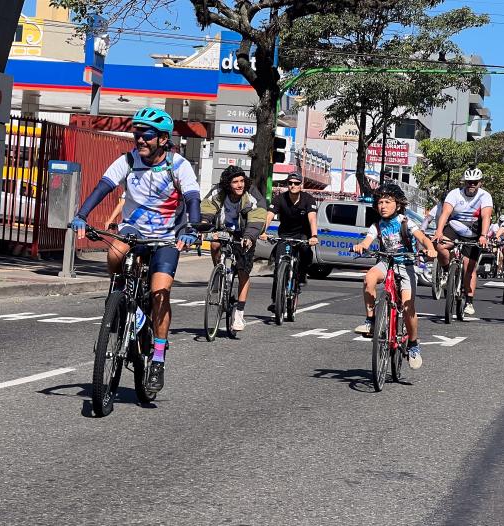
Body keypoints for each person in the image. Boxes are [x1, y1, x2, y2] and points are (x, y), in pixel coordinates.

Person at [70, 107, 201, 394]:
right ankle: (119, 303)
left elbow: (192, 197)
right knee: (114, 254)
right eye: (137, 132)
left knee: (159, 293)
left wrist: (192, 227)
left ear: (163, 139)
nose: (140, 139)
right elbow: (103, 186)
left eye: (147, 134)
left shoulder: (179, 166)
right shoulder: (128, 161)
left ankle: (157, 358)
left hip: (167, 237)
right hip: (134, 230)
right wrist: (82, 215)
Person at [353, 183, 436, 370]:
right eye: (380, 202)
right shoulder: (377, 225)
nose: (383, 206)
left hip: (405, 265)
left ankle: (413, 344)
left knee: (408, 308)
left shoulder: (405, 221)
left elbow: (422, 238)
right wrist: (362, 246)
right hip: (386, 262)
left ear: (397, 205)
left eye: (388, 202)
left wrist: (430, 248)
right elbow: (368, 240)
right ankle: (371, 321)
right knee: (369, 278)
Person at [200, 166, 266, 331]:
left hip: (244, 234)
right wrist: (204, 226)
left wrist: (250, 237)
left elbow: (258, 215)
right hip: (223, 230)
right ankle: (219, 273)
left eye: (242, 181)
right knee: (214, 244)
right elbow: (207, 209)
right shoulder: (218, 191)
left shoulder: (251, 194)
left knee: (243, 271)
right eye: (235, 182)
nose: (239, 185)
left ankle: (239, 314)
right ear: (227, 184)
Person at [433, 167, 494, 316]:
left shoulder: (485, 196)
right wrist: (439, 231)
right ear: (464, 182)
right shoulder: (454, 193)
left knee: (469, 268)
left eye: (474, 182)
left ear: (480, 183)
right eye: (468, 182)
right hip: (455, 226)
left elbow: (486, 216)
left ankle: (469, 300)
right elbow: (446, 213)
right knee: (440, 246)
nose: (471, 185)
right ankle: (449, 272)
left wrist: (484, 235)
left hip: (474, 231)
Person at [259, 172, 319, 312]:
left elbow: (312, 218)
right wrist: (263, 231)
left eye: (296, 183)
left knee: (305, 251)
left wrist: (314, 236)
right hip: (285, 234)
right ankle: (276, 301)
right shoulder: (280, 199)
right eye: (290, 183)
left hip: (303, 234)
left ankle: (302, 274)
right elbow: (269, 216)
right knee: (279, 265)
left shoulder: (308, 199)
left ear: (301, 185)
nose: (293, 185)